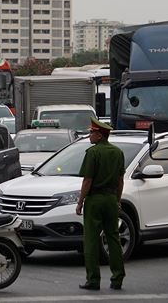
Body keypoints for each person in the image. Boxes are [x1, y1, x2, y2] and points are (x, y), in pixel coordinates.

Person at [75, 117, 126, 291]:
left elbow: (87, 181)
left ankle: (93, 280)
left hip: (95, 200)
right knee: (113, 238)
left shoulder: (93, 153)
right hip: (111, 199)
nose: (89, 135)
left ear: (100, 135)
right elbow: (120, 181)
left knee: (91, 240)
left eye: (92, 132)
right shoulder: (118, 152)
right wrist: (117, 200)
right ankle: (117, 278)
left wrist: (80, 202)